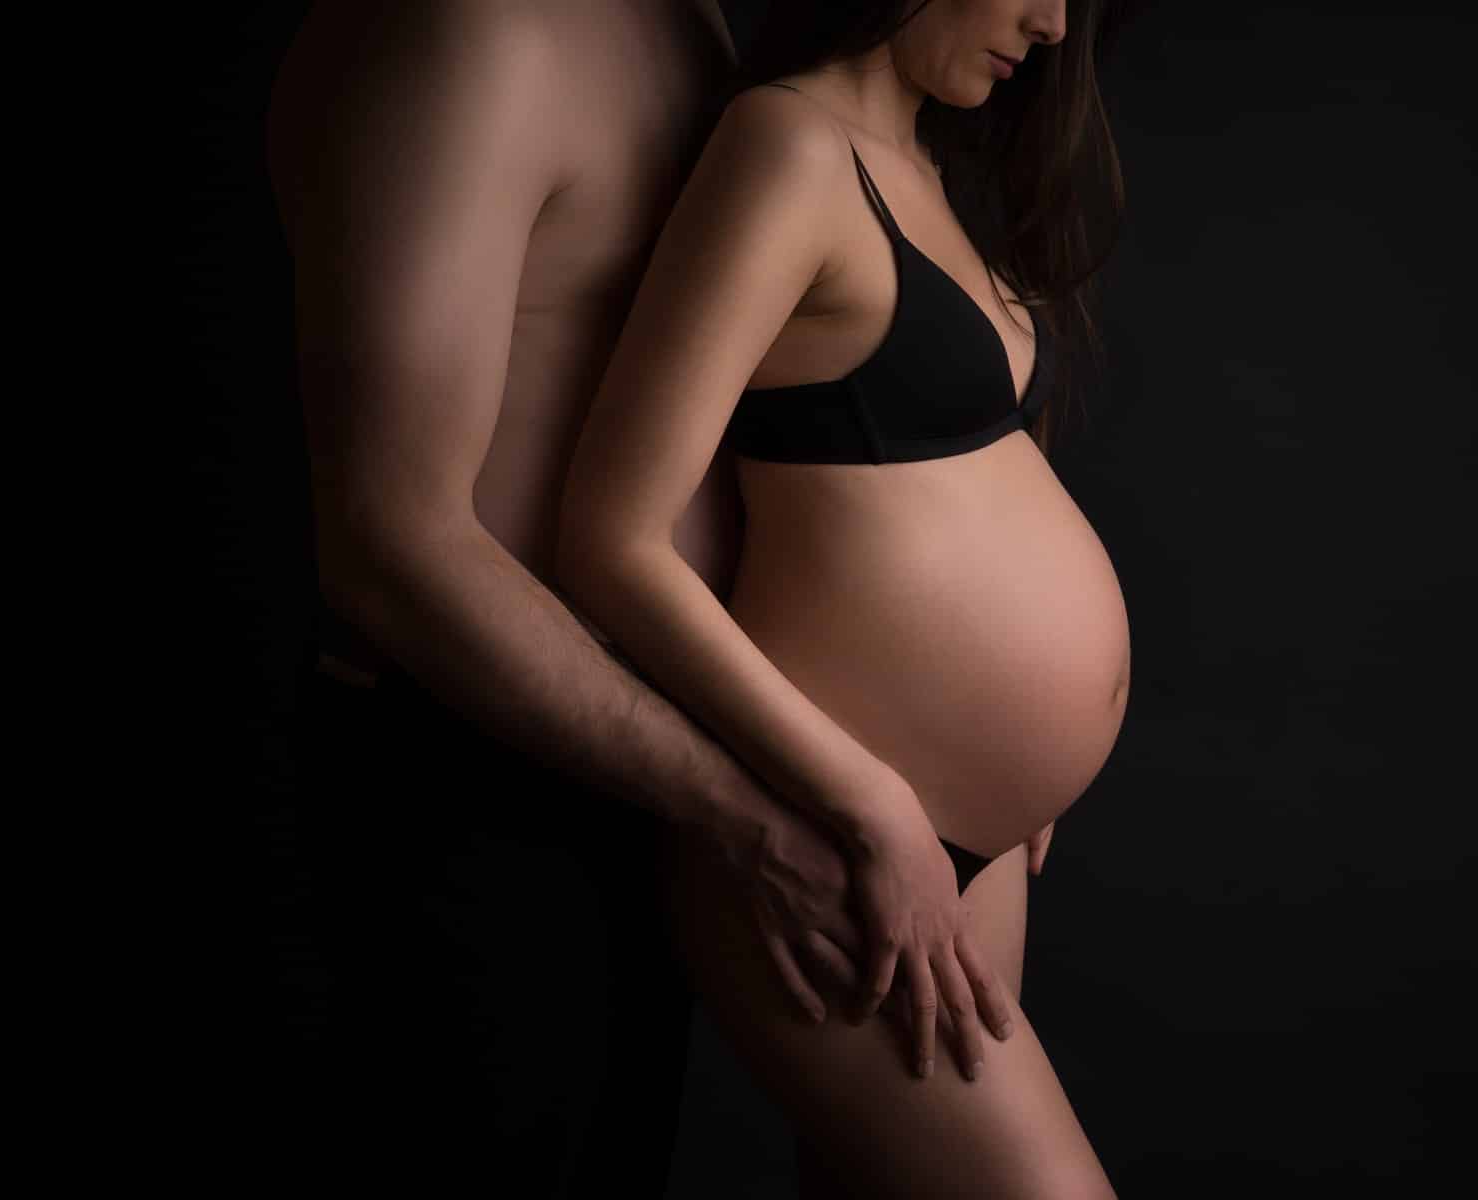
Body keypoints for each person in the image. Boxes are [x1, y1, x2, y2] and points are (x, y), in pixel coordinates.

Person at [259, 1, 1014, 1194]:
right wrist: (752, 817)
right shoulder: (471, 33)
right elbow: (389, 539)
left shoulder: (691, 22)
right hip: (481, 769)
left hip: (661, 760)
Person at [556, 0, 1131, 1195]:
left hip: (963, 836)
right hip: (844, 828)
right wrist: (871, 801)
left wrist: (1023, 754)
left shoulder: (924, 160)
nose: (1053, 21)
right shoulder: (790, 148)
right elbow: (611, 538)